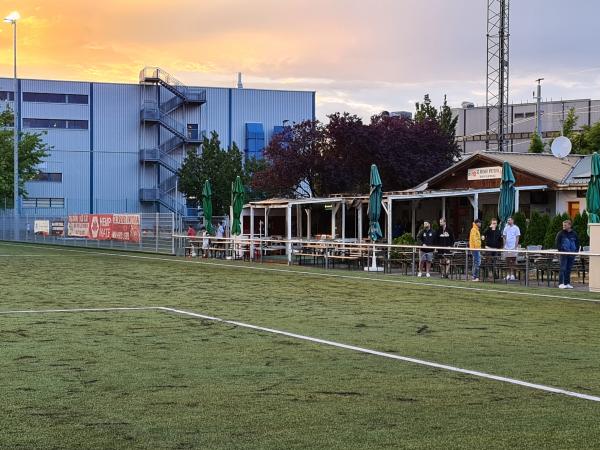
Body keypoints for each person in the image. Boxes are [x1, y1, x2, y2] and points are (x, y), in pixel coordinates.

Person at [555, 219, 579, 289]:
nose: (563, 226)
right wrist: (561, 250)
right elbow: (557, 242)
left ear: (570, 225)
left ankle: (567, 283)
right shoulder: (560, 233)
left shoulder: (574, 233)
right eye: (563, 225)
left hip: (572, 254)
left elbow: (577, 242)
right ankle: (561, 283)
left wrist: (576, 251)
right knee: (563, 268)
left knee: (568, 269)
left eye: (565, 225)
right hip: (563, 254)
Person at [502, 216, 521, 281]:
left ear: (512, 221)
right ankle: (508, 275)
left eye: (509, 220)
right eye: (508, 220)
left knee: (513, 261)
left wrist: (515, 247)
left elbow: (517, 237)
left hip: (513, 248)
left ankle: (512, 275)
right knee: (507, 261)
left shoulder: (516, 228)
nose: (508, 221)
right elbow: (504, 237)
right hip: (507, 248)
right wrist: (504, 246)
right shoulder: (505, 228)